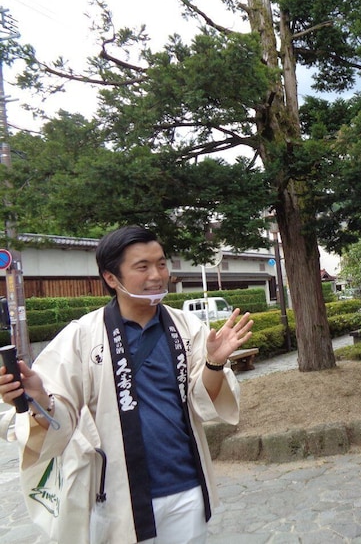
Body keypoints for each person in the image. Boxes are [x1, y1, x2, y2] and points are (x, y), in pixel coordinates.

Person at [0, 226, 253, 543]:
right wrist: (39, 398)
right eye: (142, 266)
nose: (157, 275)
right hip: (118, 497)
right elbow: (58, 417)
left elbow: (204, 403)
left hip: (186, 487)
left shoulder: (187, 327)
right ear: (110, 278)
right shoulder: (82, 336)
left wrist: (214, 362)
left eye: (161, 263)